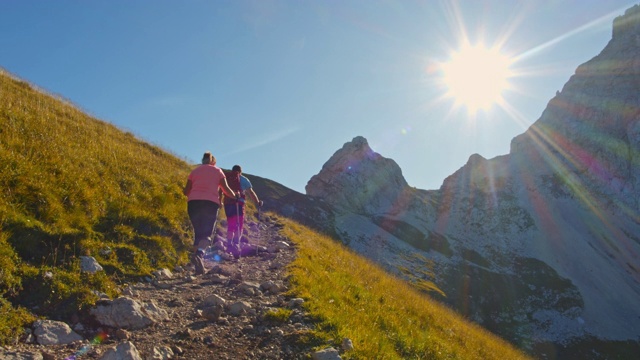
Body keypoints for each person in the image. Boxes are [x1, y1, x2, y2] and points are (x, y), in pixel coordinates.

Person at [183, 152, 237, 272]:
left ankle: (198, 265)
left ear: (203, 160)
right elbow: (226, 189)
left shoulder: (194, 172)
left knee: (198, 233)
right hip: (210, 203)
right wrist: (235, 196)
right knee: (207, 234)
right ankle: (200, 254)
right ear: (213, 162)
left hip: (193, 203)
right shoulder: (217, 171)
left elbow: (186, 191)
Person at [222, 165, 262, 257]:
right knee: (238, 225)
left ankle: (229, 245)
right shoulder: (244, 179)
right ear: (240, 171)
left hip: (228, 203)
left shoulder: (226, 178)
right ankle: (236, 245)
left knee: (231, 224)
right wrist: (258, 202)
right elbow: (251, 192)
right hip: (239, 204)